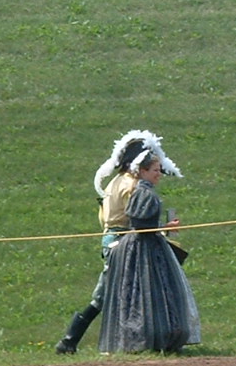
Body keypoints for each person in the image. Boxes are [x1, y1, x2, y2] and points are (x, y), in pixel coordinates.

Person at [55, 130, 183, 354]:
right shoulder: (131, 186)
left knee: (113, 293)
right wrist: (164, 229)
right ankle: (69, 341)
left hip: (112, 238)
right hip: (123, 241)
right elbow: (139, 220)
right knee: (107, 294)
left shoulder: (115, 182)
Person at [97, 151, 201, 353]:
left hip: (137, 243)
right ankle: (147, 337)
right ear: (142, 170)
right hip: (138, 246)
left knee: (122, 293)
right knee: (138, 292)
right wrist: (163, 227)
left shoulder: (132, 187)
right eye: (155, 170)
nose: (159, 174)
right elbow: (139, 222)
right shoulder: (139, 191)